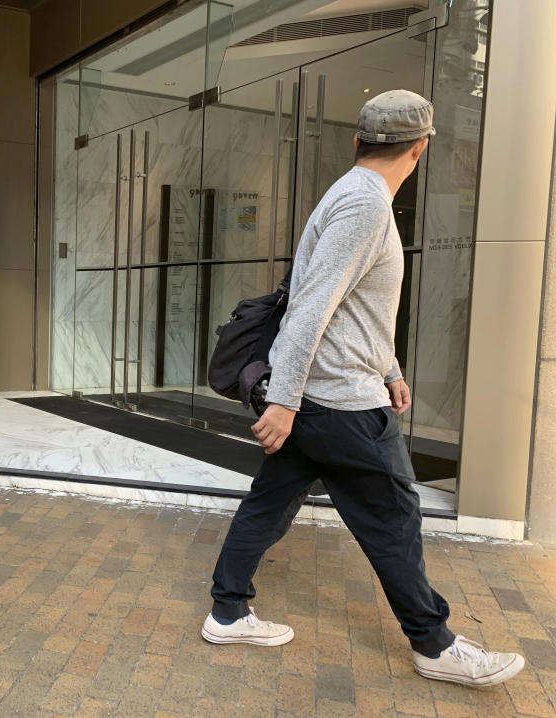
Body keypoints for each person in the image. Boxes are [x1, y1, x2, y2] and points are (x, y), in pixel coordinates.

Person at [202, 90, 525, 687]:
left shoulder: (352, 194)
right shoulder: (365, 205)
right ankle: (433, 644)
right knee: (395, 518)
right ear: (421, 149)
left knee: (270, 503)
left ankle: (227, 611)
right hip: (341, 405)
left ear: (358, 141)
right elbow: (310, 308)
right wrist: (285, 400)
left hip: (333, 394)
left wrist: (392, 370)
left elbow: (358, 310)